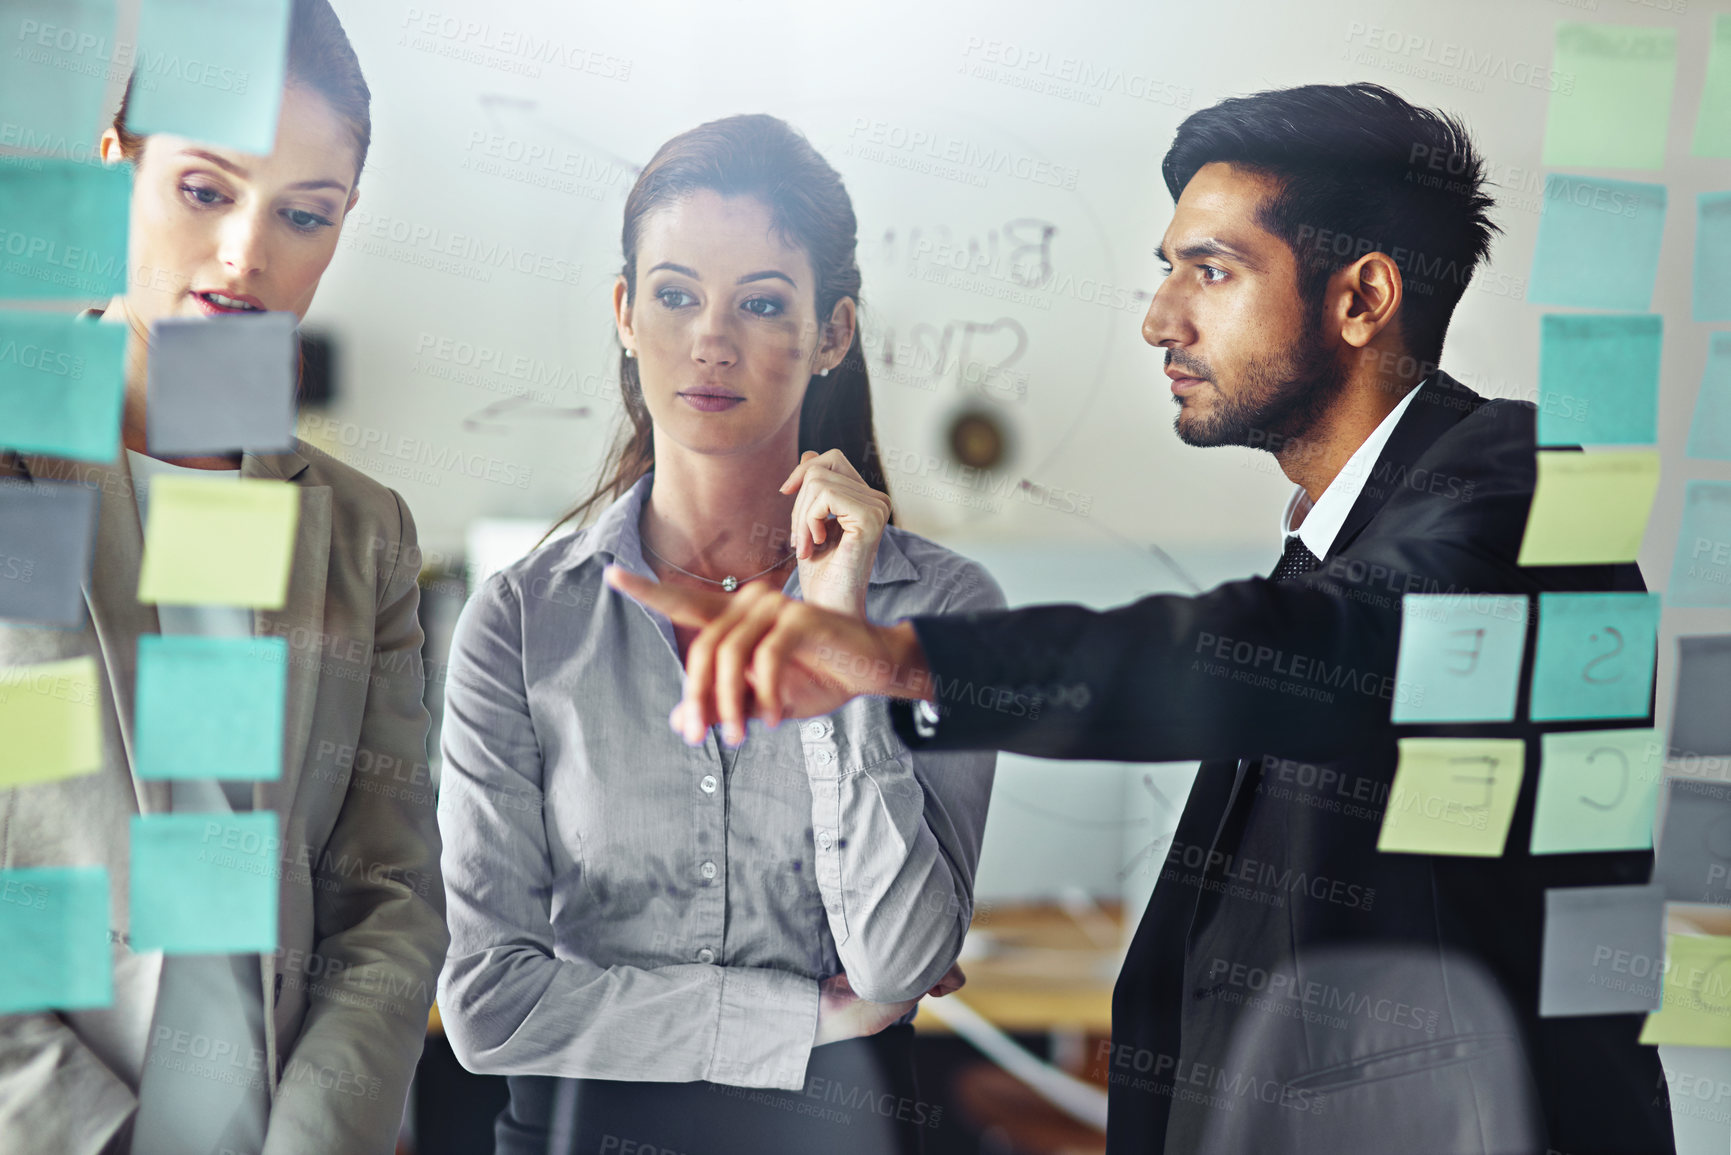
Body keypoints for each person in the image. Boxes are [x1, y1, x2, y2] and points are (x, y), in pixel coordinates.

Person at [609, 84, 1676, 1155]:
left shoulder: (1516, 493)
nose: (1162, 317)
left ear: (1361, 300)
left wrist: (906, 658)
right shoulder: (1342, 542)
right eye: (1169, 270)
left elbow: (1308, 656)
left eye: (1211, 270)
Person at [435, 114, 1002, 1155]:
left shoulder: (947, 610)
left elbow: (896, 962)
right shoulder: (522, 622)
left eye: (764, 304)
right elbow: (489, 1005)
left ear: (832, 334)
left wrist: (835, 640)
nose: (711, 339)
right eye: (677, 294)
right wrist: (802, 1022)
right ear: (624, 312)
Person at [0, 4, 448, 1153]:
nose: (251, 254)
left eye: (305, 215)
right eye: (207, 190)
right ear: (120, 171)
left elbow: (387, 901)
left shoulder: (364, 534)